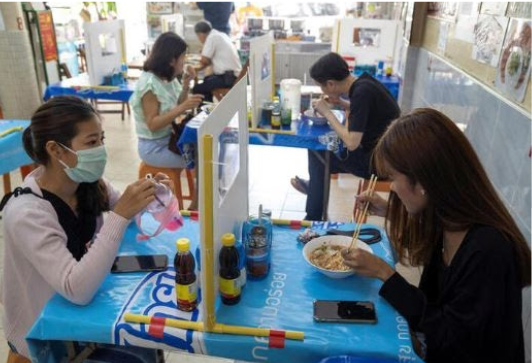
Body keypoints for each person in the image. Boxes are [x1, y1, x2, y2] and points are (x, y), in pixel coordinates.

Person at [342, 108, 531, 363]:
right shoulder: (450, 220)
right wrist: (388, 210)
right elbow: (423, 242)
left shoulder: (489, 250)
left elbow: (450, 336)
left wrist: (384, 274)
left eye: (394, 178)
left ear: (422, 183)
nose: (393, 188)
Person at [0, 96, 164, 361]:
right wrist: (120, 215)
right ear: (56, 150)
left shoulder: (89, 183)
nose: (100, 149)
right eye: (91, 142)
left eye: (101, 139)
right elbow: (77, 289)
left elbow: (131, 216)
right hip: (46, 330)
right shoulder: (26, 213)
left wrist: (149, 194)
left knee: (148, 341)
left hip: (80, 312)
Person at [291, 52, 400, 221]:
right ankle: (315, 189)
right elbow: (364, 111)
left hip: (378, 163)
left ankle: (313, 213)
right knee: (320, 153)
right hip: (383, 153)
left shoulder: (361, 93)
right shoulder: (364, 82)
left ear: (331, 84)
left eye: (322, 86)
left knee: (319, 152)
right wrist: (342, 104)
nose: (323, 90)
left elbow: (351, 142)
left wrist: (327, 112)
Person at [130, 32, 203, 173]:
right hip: (153, 148)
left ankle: (202, 193)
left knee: (203, 150)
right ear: (171, 60)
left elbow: (177, 103)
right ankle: (200, 195)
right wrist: (182, 107)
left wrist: (186, 86)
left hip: (168, 139)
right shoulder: (149, 84)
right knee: (201, 160)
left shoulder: (167, 77)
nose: (184, 61)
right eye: (183, 57)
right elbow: (153, 124)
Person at [192, 20, 242, 102]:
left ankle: (204, 111)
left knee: (197, 89)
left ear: (200, 34)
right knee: (207, 80)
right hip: (233, 75)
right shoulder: (220, 35)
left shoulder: (211, 38)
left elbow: (204, 61)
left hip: (228, 77)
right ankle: (207, 110)